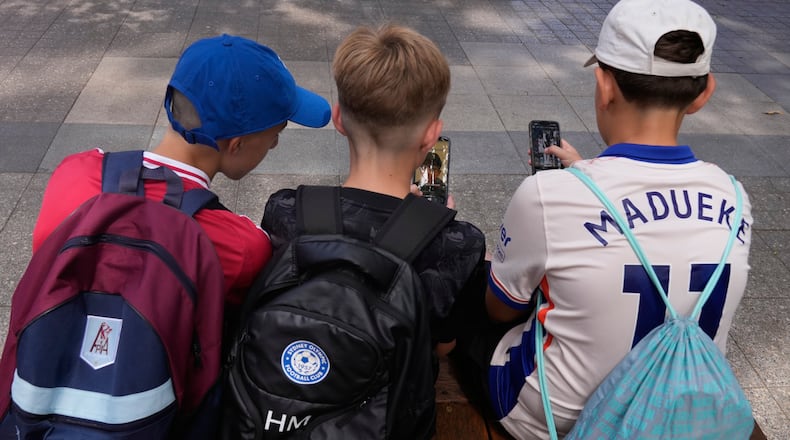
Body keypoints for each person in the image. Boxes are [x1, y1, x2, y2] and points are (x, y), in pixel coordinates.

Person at [452, 0, 754, 438]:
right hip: (679, 410)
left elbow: (500, 311)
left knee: (480, 288)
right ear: (704, 93)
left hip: (550, 421)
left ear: (604, 85)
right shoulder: (734, 194)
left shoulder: (549, 196)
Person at [32, 34, 331, 315]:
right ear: (236, 145)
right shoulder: (240, 247)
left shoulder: (73, 172)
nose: (275, 144)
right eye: (276, 133)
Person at [261, 24, 487, 356]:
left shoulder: (285, 211)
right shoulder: (457, 244)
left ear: (338, 119)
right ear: (431, 135)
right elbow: (441, 347)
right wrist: (428, 222)